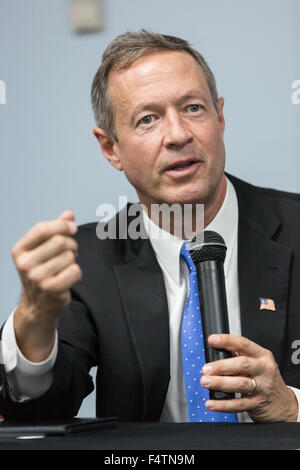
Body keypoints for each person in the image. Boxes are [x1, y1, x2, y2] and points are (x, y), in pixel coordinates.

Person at [1, 30, 300, 423]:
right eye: (147, 119)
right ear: (111, 149)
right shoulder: (88, 259)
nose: (178, 135)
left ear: (220, 116)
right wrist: (33, 322)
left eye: (193, 108)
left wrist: (292, 406)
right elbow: (39, 411)